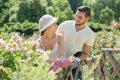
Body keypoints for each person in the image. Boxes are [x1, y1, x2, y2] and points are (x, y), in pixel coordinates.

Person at [57, 5, 95, 79]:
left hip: (74, 66)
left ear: (87, 18)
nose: (77, 19)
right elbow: (55, 42)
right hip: (58, 62)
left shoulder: (90, 34)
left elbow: (85, 53)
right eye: (76, 15)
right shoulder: (65, 25)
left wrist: (74, 61)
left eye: (80, 17)